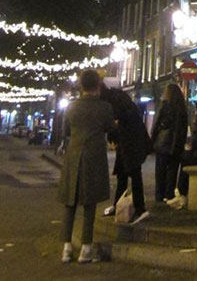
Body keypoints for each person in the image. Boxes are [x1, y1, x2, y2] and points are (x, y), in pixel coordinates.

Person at [57, 68, 115, 264]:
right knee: (90, 203)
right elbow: (110, 128)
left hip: (74, 155)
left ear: (81, 85)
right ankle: (86, 248)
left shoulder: (71, 107)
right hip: (94, 155)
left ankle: (66, 248)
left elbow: (65, 130)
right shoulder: (104, 107)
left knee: (70, 202)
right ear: (98, 85)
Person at [101, 81, 151, 224]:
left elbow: (121, 118)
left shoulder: (114, 101)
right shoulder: (117, 97)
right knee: (123, 174)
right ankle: (118, 205)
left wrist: (114, 127)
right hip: (128, 140)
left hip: (130, 141)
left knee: (134, 172)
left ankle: (140, 208)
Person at [150, 81, 188, 204]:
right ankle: (169, 193)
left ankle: (159, 195)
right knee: (173, 169)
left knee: (160, 169)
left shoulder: (164, 105)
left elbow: (156, 124)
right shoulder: (182, 108)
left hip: (163, 141)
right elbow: (183, 128)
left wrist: (153, 138)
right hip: (177, 143)